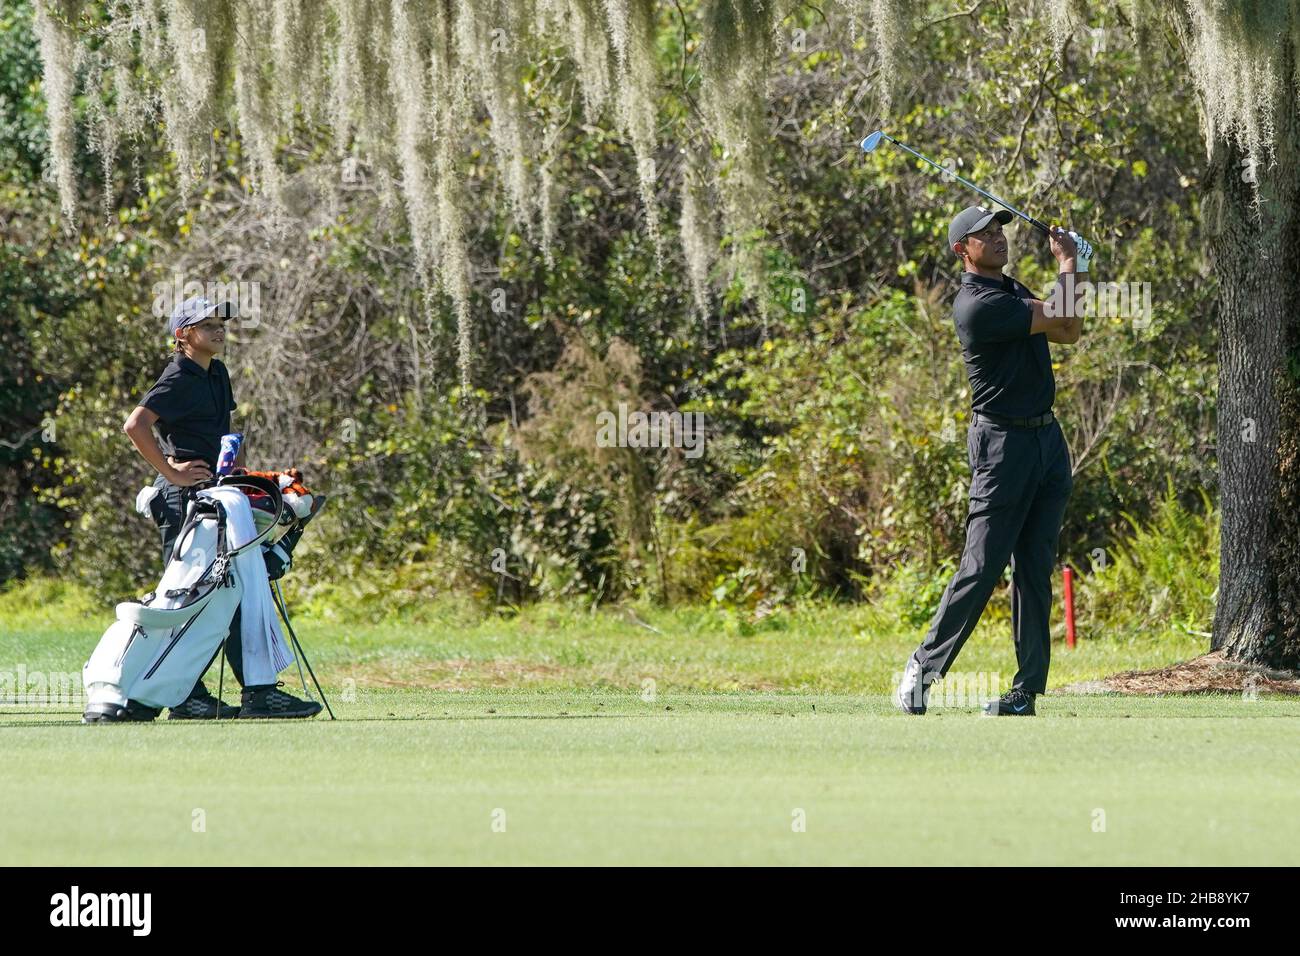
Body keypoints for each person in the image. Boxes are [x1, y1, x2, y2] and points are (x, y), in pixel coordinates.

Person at [894, 206, 1091, 717]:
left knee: (1034, 569)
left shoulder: (1011, 289)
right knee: (981, 567)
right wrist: (1070, 266)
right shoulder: (976, 305)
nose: (998, 237)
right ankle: (923, 668)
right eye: (985, 233)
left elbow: (1068, 331)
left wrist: (1075, 271)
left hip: (1047, 443)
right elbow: (1056, 315)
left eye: (1000, 228)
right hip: (1002, 446)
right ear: (964, 250)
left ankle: (1025, 693)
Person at [122, 295, 320, 719]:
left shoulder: (218, 372)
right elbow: (135, 425)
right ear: (183, 335)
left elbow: (220, 432)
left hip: (217, 493)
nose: (218, 330)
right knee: (187, 598)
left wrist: (231, 470)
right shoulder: (178, 376)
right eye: (206, 324)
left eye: (220, 323)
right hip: (183, 500)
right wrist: (172, 472)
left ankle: (257, 693)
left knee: (237, 588)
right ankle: (185, 695)